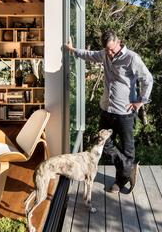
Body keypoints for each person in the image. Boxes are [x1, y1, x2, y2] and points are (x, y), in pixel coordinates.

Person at [65, 30, 153, 193]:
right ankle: (129, 167)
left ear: (119, 42)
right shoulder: (104, 54)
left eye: (112, 49)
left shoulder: (131, 58)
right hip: (106, 108)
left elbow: (148, 79)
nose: (110, 53)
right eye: (107, 50)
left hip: (125, 112)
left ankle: (120, 182)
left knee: (127, 149)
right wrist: (72, 50)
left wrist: (140, 101)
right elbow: (89, 54)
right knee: (103, 143)